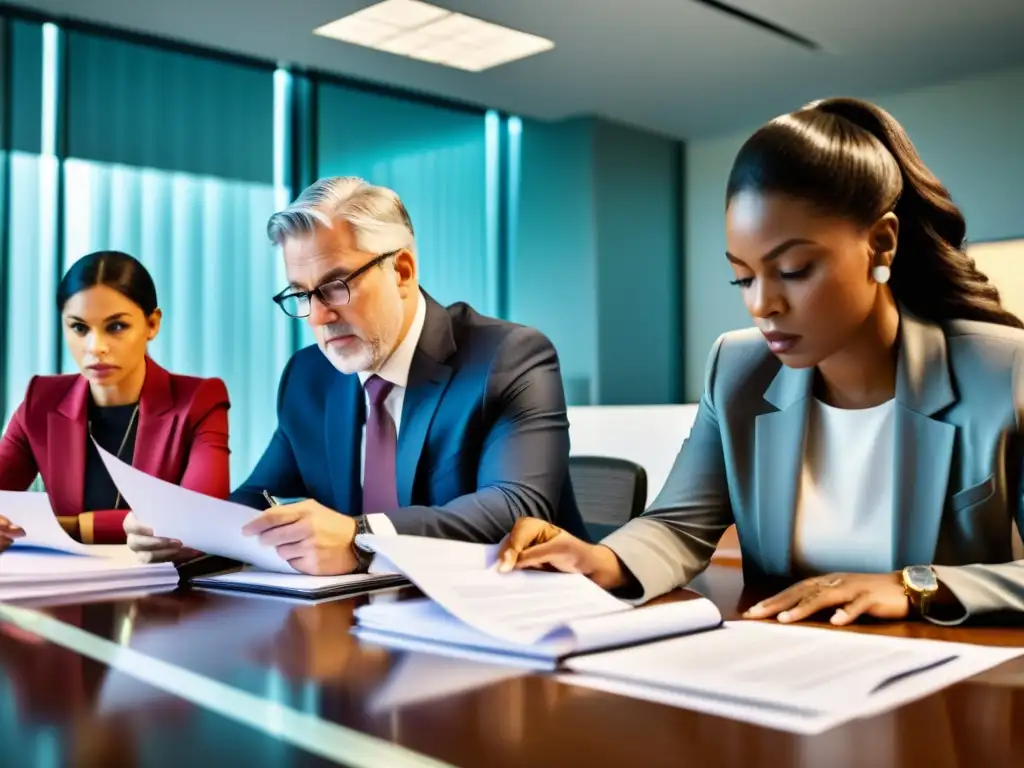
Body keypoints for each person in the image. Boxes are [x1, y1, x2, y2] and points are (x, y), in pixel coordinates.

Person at [497, 97, 1024, 627]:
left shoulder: (1002, 372)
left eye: (793, 269)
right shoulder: (738, 368)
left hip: (951, 677)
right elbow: (678, 524)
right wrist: (600, 559)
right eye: (743, 277)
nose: (761, 304)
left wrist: (914, 587)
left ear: (881, 244)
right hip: (787, 662)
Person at [124, 177, 586, 572]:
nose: (319, 317)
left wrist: (360, 538)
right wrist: (192, 533)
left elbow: (515, 506)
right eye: (302, 294)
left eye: (336, 286)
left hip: (508, 628)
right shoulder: (309, 377)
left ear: (401, 271)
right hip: (359, 630)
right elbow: (262, 494)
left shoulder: (508, 357)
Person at [0, 251, 231, 551]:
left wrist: (72, 525)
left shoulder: (199, 400)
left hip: (166, 592)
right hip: (61, 587)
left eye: (116, 327)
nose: (96, 348)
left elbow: (202, 521)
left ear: (152, 324)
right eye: (79, 328)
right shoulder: (41, 401)